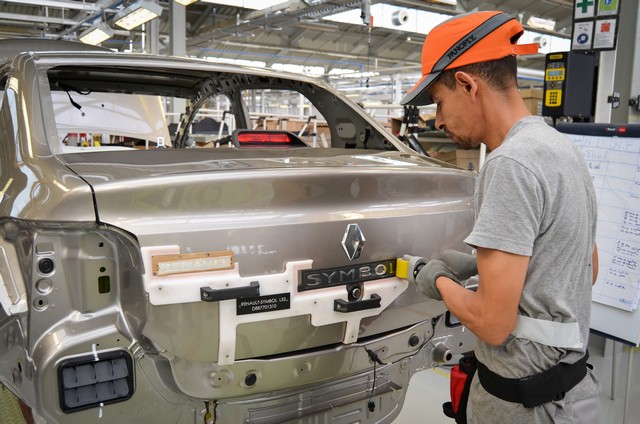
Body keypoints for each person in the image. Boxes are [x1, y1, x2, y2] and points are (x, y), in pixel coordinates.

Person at [401, 11, 601, 424]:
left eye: (438, 103)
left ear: (466, 84)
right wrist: (483, 264)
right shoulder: (561, 149)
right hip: (572, 395)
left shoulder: (510, 163)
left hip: (525, 405)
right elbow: (586, 266)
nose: (438, 120)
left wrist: (435, 277)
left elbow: (493, 324)